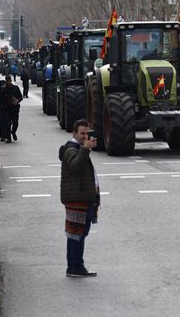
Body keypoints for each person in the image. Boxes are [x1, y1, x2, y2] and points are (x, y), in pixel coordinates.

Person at [60, 119, 99, 278]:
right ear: (74, 133)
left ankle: (75, 266)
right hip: (77, 199)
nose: (85, 136)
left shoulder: (77, 148)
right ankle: (76, 266)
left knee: (77, 234)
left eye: (87, 133)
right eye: (82, 133)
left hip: (81, 198)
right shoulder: (71, 149)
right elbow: (75, 166)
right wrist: (86, 149)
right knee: (76, 234)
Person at [2, 76, 23, 142]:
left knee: (15, 123)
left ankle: (13, 132)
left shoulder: (15, 88)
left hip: (15, 108)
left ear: (11, 81)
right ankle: (9, 138)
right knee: (7, 124)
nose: (8, 82)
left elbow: (20, 97)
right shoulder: (4, 89)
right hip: (7, 109)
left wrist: (17, 101)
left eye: (9, 81)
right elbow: (1, 99)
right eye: (7, 81)